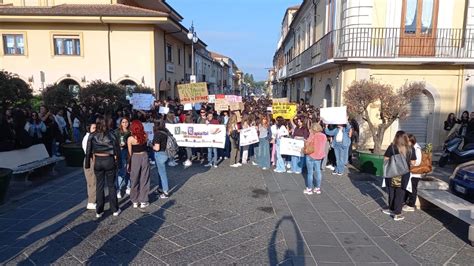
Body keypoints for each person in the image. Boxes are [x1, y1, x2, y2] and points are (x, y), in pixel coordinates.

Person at [85, 117, 121, 218]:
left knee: (99, 186)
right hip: (109, 160)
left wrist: (87, 164)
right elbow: (117, 150)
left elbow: (88, 151)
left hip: (98, 161)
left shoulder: (92, 135)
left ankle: (99, 210)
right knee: (111, 185)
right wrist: (120, 164)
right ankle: (115, 209)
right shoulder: (112, 134)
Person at [382, 131, 416, 221]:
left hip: (392, 172)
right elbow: (413, 163)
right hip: (404, 174)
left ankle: (391, 208)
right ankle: (397, 213)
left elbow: (385, 159)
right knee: (400, 193)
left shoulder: (392, 147)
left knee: (392, 192)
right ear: (405, 138)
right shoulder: (410, 149)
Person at [128, 120, 151, 209]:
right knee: (144, 178)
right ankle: (143, 200)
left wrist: (129, 163)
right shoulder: (145, 135)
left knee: (134, 178)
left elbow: (130, 153)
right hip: (144, 156)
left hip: (135, 157)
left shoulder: (130, 138)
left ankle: (134, 200)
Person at [304, 123, 328, 195]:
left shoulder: (313, 135)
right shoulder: (324, 136)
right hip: (319, 156)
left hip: (311, 155)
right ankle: (317, 188)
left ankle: (309, 189)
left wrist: (305, 140)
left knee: (310, 173)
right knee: (318, 172)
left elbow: (307, 143)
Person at [404, 134, 422, 212]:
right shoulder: (410, 148)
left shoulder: (417, 149)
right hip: (409, 172)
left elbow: (417, 162)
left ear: (411, 141)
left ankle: (411, 205)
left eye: (407, 141)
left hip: (415, 173)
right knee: (408, 188)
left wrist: (409, 163)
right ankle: (407, 202)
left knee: (413, 189)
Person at [152, 120, 170, 199]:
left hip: (159, 154)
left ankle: (165, 191)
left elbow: (157, 147)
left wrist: (150, 145)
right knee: (160, 172)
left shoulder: (157, 134)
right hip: (165, 153)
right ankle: (161, 188)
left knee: (162, 173)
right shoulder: (166, 132)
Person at [115, 117, 131, 199]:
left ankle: (129, 186)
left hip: (129, 152)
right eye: (123, 122)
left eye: (126, 122)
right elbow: (114, 142)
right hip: (120, 152)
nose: (125, 124)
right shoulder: (117, 132)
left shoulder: (130, 132)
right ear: (120, 123)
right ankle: (118, 189)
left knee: (129, 170)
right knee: (121, 171)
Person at [82, 122, 97, 210]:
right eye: (94, 128)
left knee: (92, 181)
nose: (96, 130)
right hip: (90, 160)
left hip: (91, 159)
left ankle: (93, 199)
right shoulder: (88, 138)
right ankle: (91, 201)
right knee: (92, 181)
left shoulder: (90, 137)